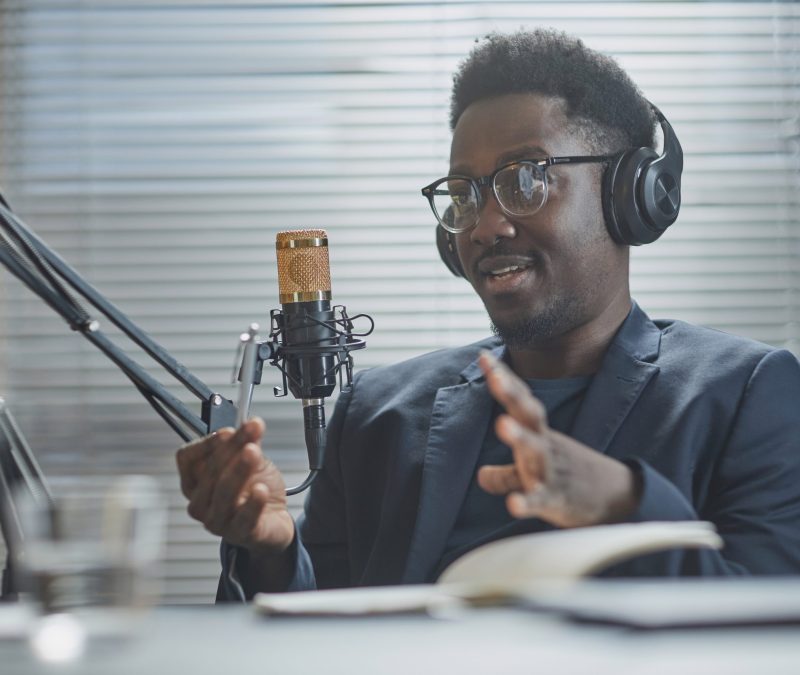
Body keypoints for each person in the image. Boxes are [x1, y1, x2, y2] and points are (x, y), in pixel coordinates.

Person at [176, 29, 800, 601]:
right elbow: (310, 637)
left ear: (627, 194)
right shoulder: (379, 412)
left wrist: (621, 502)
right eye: (464, 194)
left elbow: (770, 618)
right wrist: (272, 551)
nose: (486, 225)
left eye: (526, 179)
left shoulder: (747, 393)